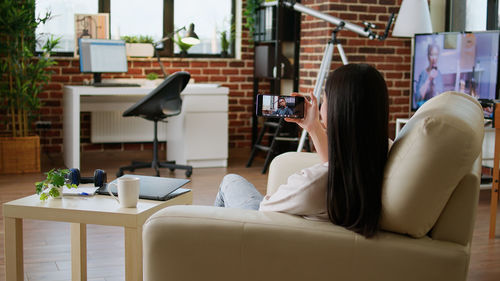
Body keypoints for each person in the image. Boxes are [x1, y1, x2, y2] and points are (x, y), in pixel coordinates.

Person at [214, 64, 390, 238]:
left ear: (337, 110)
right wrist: (313, 126)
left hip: (260, 228)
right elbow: (334, 165)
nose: (321, 108)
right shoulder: (380, 156)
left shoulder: (311, 184)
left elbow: (265, 209)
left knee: (230, 181)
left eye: (325, 101)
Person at [414, 43, 444, 108]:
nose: (434, 58)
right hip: (424, 109)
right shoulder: (423, 73)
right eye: (431, 55)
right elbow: (418, 98)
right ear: (428, 56)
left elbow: (441, 98)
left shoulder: (439, 74)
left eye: (436, 55)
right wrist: (428, 79)